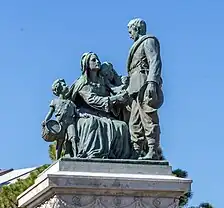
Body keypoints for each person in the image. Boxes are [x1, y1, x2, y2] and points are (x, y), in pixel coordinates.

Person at [69, 52, 132, 159]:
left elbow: (112, 88)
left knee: (122, 126)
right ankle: (94, 153)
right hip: (85, 115)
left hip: (103, 115)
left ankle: (119, 155)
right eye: (93, 60)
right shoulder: (82, 83)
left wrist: (124, 90)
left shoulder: (102, 79)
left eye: (97, 59)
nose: (97, 62)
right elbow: (93, 100)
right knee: (93, 123)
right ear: (86, 64)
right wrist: (115, 99)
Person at [126, 18, 164, 160]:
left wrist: (152, 82)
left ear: (137, 28)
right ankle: (136, 150)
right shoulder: (138, 44)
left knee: (148, 117)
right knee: (134, 122)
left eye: (130, 30)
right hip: (135, 86)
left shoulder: (148, 41)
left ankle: (153, 150)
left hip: (144, 83)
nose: (129, 34)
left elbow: (155, 61)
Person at [43, 79, 78, 159]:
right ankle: (57, 159)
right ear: (58, 89)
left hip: (70, 122)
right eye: (64, 85)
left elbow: (77, 114)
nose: (66, 86)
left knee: (73, 137)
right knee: (60, 141)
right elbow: (50, 112)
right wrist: (45, 120)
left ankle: (76, 156)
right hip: (60, 123)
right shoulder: (55, 101)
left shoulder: (70, 103)